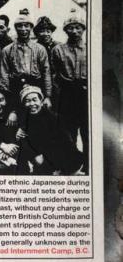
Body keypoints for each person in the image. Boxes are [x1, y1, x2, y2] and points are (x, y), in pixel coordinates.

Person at [15, 85, 83, 175]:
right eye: (27, 101)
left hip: (59, 156)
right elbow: (24, 141)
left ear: (41, 101)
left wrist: (57, 166)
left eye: (35, 100)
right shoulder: (23, 119)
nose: (32, 104)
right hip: (39, 158)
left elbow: (66, 143)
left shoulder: (53, 118)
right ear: (24, 104)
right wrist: (34, 155)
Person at [51, 9, 88, 172]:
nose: (74, 31)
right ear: (65, 30)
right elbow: (54, 74)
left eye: (78, 27)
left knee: (87, 131)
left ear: (83, 29)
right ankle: (72, 163)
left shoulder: (90, 48)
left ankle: (88, 164)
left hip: (85, 94)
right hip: (67, 94)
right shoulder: (58, 49)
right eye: (70, 28)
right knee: (68, 132)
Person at [0, 8, 52, 107]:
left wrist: (48, 96)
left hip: (37, 87)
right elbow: (4, 76)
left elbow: (46, 73)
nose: (23, 29)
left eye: (26, 26)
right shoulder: (7, 50)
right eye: (20, 26)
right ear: (16, 28)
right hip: (16, 88)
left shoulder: (40, 49)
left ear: (31, 28)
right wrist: (7, 97)